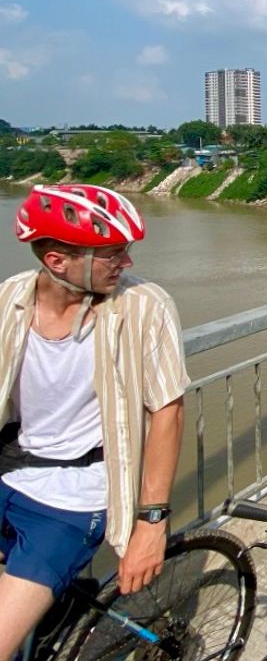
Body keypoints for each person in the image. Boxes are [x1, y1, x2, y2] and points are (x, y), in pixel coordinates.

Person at [0, 184, 188, 656]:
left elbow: (166, 410)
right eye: (112, 255)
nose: (127, 264)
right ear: (58, 261)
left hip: (71, 502)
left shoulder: (143, 306)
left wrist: (152, 524)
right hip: (10, 471)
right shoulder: (8, 301)